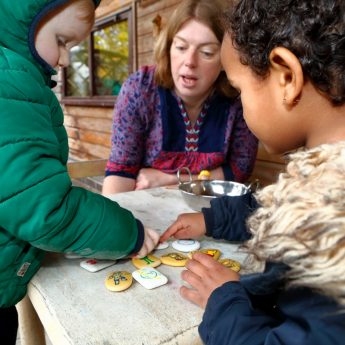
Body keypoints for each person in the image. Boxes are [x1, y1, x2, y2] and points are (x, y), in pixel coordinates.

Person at [162, 0, 345, 344]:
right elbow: (276, 212)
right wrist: (213, 220)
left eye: (240, 88)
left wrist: (225, 301)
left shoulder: (333, 243)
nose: (240, 103)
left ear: (287, 77)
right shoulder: (325, 182)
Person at [0, 1, 159, 343]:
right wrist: (128, 232)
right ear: (26, 21)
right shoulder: (8, 85)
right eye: (61, 41)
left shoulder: (18, 80)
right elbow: (46, 209)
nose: (66, 59)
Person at [102, 0, 258, 195]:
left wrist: (169, 180)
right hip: (147, 211)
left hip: (213, 213)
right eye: (181, 47)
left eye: (207, 52)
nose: (190, 62)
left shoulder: (238, 98)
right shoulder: (140, 89)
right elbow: (121, 171)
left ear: (225, 59)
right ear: (168, 48)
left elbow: (238, 172)